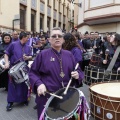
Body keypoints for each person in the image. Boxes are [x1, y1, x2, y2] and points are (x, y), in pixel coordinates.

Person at [29, 27, 84, 119]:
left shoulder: (69, 54)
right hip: (48, 97)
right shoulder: (42, 54)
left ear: (63, 39)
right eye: (54, 36)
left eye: (59, 36)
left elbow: (78, 70)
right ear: (49, 40)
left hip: (66, 97)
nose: (57, 38)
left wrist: (77, 75)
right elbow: (33, 73)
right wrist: (39, 84)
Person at [4, 31, 32, 111]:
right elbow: (6, 54)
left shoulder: (28, 47)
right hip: (14, 68)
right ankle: (10, 102)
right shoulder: (13, 44)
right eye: (27, 37)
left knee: (24, 85)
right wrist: (6, 63)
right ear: (23, 37)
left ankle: (24, 99)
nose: (28, 39)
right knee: (12, 85)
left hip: (24, 68)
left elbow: (30, 57)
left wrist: (28, 58)